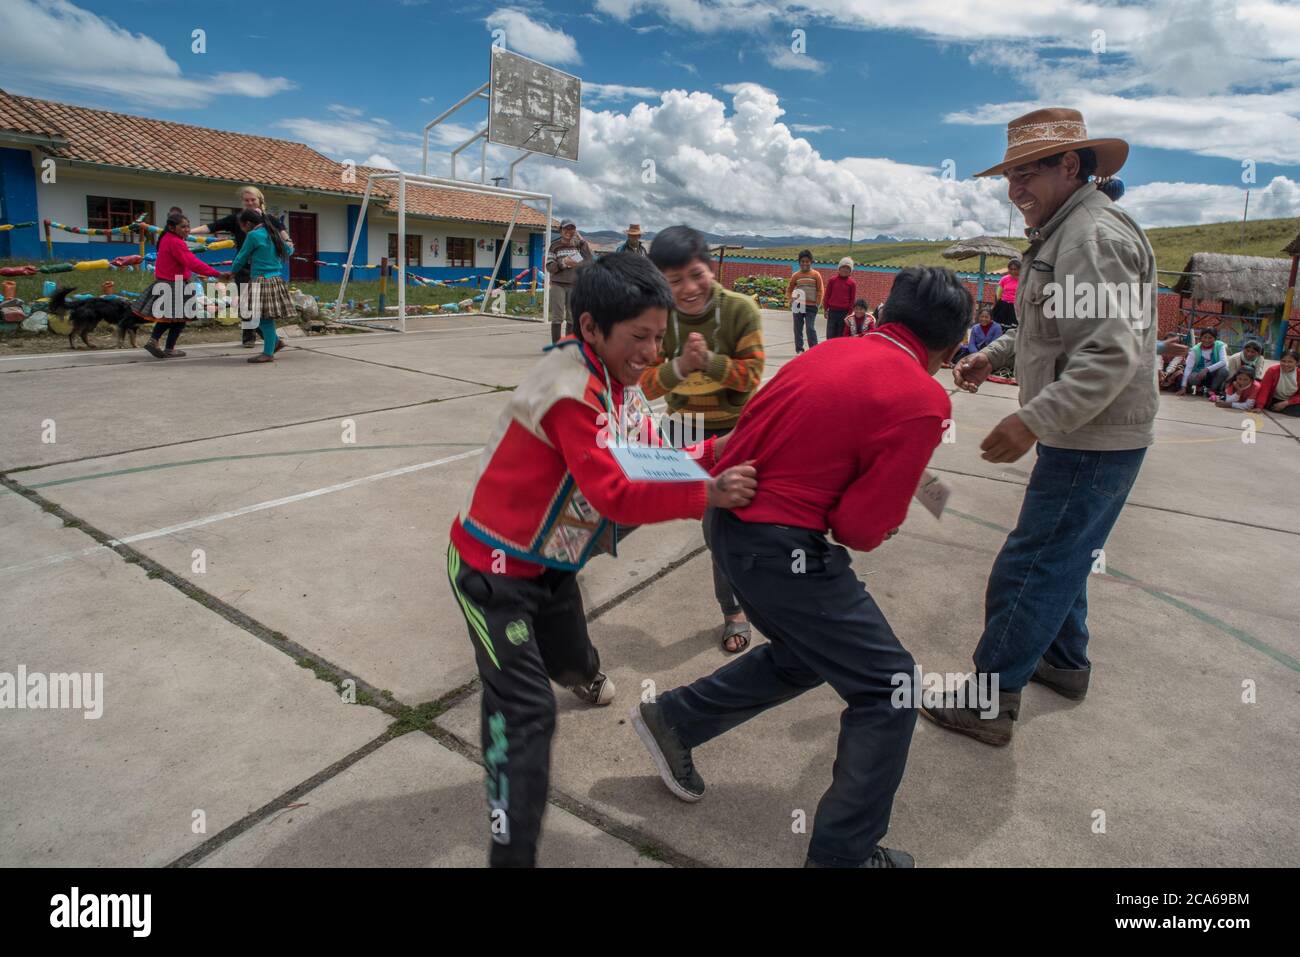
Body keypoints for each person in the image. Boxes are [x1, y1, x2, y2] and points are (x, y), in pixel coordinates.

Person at [631, 266, 972, 869]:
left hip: (733, 530)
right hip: (782, 548)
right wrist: (887, 512)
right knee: (892, 689)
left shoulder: (829, 351)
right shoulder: (924, 399)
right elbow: (860, 530)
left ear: (883, 313)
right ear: (949, 346)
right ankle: (845, 858)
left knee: (806, 656)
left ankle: (675, 720)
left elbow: (749, 438)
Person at [446, 252, 758, 867]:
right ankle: (512, 853)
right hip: (492, 572)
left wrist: (713, 448)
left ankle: (581, 674)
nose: (650, 352)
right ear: (590, 327)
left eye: (658, 337)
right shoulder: (569, 388)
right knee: (525, 711)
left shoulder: (612, 377)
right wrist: (708, 492)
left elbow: (642, 446)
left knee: (570, 656)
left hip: (553, 561)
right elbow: (612, 490)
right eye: (638, 338)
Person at [932, 107, 1156, 745]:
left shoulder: (1089, 237)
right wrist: (990, 355)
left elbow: (1110, 352)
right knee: (1064, 554)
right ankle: (1063, 663)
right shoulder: (1063, 234)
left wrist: (1032, 419)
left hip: (1091, 438)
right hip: (1085, 435)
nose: (1015, 189)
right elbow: (1047, 327)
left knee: (1030, 564)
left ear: (1070, 165)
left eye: (1028, 173)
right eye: (1009, 177)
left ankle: (988, 700)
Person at [640, 225, 766, 653]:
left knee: (719, 527)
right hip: (679, 428)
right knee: (629, 501)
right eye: (674, 281)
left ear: (710, 268)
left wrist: (707, 361)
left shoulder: (741, 310)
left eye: (696, 274)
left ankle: (733, 611)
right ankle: (558, 569)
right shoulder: (655, 316)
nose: (688, 288)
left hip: (734, 432)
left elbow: (749, 377)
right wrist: (679, 367)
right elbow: (646, 385)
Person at [191, 186, 291, 348]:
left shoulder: (269, 220)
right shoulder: (236, 219)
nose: (250, 203)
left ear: (260, 200)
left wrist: (289, 243)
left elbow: (284, 235)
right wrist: (188, 232)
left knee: (261, 308)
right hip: (245, 269)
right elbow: (211, 227)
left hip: (263, 271)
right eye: (247, 200)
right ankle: (251, 337)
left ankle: (271, 341)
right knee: (246, 305)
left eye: (253, 200)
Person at [135, 212, 226, 359]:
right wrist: (217, 274)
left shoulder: (166, 238)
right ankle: (167, 347)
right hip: (175, 284)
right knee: (180, 318)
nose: (187, 230)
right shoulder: (176, 242)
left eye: (188, 226)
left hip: (166, 282)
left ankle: (155, 341)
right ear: (172, 227)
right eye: (183, 227)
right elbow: (192, 262)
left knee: (171, 317)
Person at [228, 209, 295, 364]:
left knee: (263, 319)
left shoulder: (253, 236)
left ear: (248, 224)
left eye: (242, 226)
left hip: (260, 281)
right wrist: (290, 242)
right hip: (275, 280)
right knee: (263, 317)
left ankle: (268, 353)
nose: (242, 229)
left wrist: (232, 273)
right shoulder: (273, 233)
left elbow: (241, 257)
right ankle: (275, 343)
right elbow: (289, 250)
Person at [544, 219, 594, 343]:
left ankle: (568, 344)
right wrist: (564, 263)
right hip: (557, 284)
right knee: (557, 317)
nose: (569, 232)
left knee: (572, 317)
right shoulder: (554, 246)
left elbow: (589, 260)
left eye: (572, 229)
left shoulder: (578, 245)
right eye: (566, 229)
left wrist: (582, 241)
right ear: (560, 230)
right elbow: (550, 267)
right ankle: (556, 345)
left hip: (574, 285)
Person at [785, 250, 823, 353]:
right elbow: (789, 289)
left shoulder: (816, 275)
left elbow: (820, 290)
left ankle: (814, 349)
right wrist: (790, 299)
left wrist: (817, 303)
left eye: (807, 261)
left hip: (812, 306)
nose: (805, 263)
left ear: (811, 262)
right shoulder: (796, 275)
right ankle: (799, 349)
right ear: (799, 262)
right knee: (797, 329)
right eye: (802, 261)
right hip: (798, 305)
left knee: (810, 328)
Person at [1177, 328, 1228, 395]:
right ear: (1201, 338)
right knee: (1192, 378)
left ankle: (1212, 390)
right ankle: (1199, 387)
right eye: (1205, 337)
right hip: (1199, 374)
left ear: (1215, 338)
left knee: (1224, 370)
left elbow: (1223, 361)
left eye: (1210, 338)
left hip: (1214, 374)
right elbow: (1188, 368)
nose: (1207, 340)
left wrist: (1206, 369)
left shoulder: (1220, 345)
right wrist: (1183, 387)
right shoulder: (1195, 350)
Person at [1256, 350, 1300, 416]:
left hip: (1290, 401)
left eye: (1290, 362)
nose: (1286, 364)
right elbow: (1264, 389)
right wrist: (1259, 406)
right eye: (1283, 361)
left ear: (1297, 363)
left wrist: (1287, 403)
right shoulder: (1272, 371)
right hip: (1273, 399)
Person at [824, 257, 857, 339]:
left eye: (848, 268)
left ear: (851, 271)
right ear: (839, 268)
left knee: (840, 335)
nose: (845, 270)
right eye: (843, 267)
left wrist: (849, 313)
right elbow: (827, 295)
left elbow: (852, 299)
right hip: (832, 312)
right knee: (830, 334)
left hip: (844, 313)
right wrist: (825, 309)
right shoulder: (832, 280)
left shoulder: (852, 283)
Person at [992, 258, 1019, 329]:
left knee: (1013, 327)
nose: (1013, 271)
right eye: (1011, 269)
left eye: (1015, 269)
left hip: (1016, 307)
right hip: (1003, 305)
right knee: (999, 326)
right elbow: (998, 294)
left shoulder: (1023, 280)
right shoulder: (1004, 279)